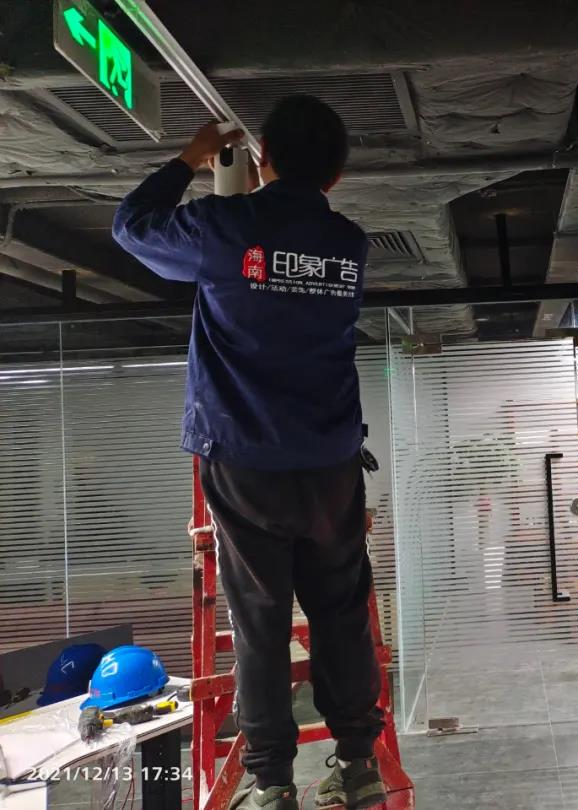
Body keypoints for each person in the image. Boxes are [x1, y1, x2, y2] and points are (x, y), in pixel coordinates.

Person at [112, 95, 385, 810]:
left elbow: (132, 227)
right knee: (340, 611)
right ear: (337, 175)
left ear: (263, 159)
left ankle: (272, 784)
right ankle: (359, 763)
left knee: (260, 620)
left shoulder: (227, 229)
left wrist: (189, 160)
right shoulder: (350, 244)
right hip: (329, 464)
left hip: (246, 462)